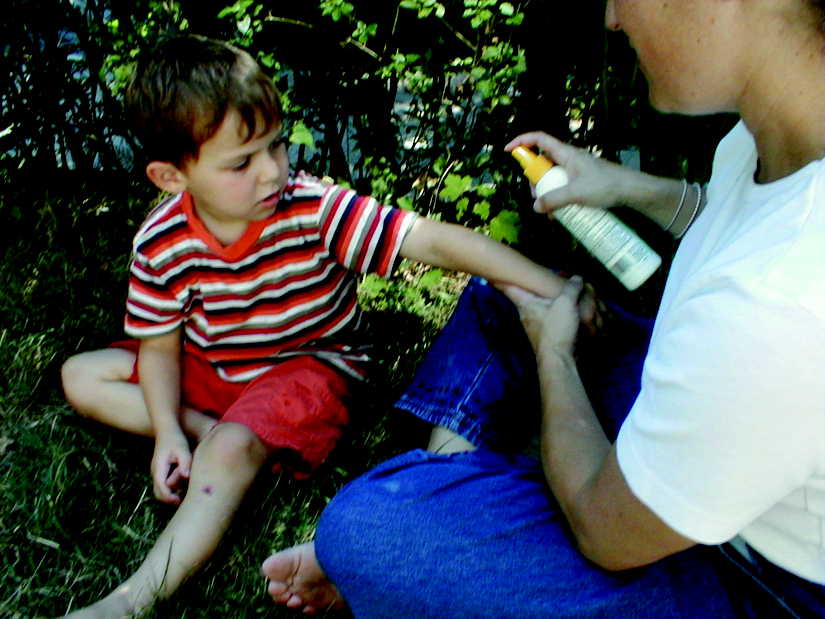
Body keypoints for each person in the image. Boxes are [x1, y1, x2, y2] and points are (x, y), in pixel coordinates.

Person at [263, 0, 825, 616]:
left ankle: (458, 524)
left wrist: (553, 352)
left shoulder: (780, 298)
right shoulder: (778, 130)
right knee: (503, 299)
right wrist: (622, 184)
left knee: (367, 530)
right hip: (743, 464)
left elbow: (606, 531)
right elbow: (729, 211)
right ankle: (468, 505)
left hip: (768, 583)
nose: (611, 17)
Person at [58, 34, 575, 617]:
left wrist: (548, 285)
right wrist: (170, 433)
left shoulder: (312, 208)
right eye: (242, 162)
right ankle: (211, 435)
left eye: (276, 147)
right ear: (171, 177)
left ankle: (130, 599)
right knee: (81, 375)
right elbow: (158, 349)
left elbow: (427, 239)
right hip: (216, 364)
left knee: (229, 447)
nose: (272, 172)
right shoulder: (160, 241)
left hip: (308, 366)